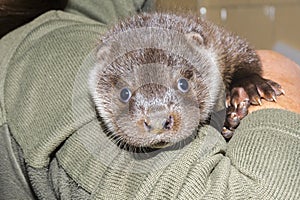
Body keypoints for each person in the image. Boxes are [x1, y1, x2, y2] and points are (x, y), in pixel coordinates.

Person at [0, 0, 299, 199]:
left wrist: (248, 78)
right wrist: (281, 75)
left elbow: (232, 52)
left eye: (182, 84)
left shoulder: (206, 48)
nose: (156, 121)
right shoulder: (49, 60)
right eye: (125, 95)